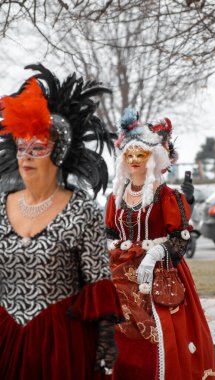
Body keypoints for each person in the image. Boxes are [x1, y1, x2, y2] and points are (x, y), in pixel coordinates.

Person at [0, 64, 124, 380]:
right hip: (6, 337)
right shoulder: (1, 209)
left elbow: (97, 278)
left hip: (60, 341)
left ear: (59, 153)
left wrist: (106, 338)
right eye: (21, 146)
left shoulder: (82, 211)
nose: (26, 155)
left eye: (37, 147)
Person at [105, 108, 215, 380]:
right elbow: (110, 233)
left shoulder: (166, 196)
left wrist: (154, 254)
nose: (134, 159)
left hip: (158, 275)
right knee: (112, 337)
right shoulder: (116, 197)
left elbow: (181, 238)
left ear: (153, 157)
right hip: (119, 277)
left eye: (140, 154)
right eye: (129, 154)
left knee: (157, 341)